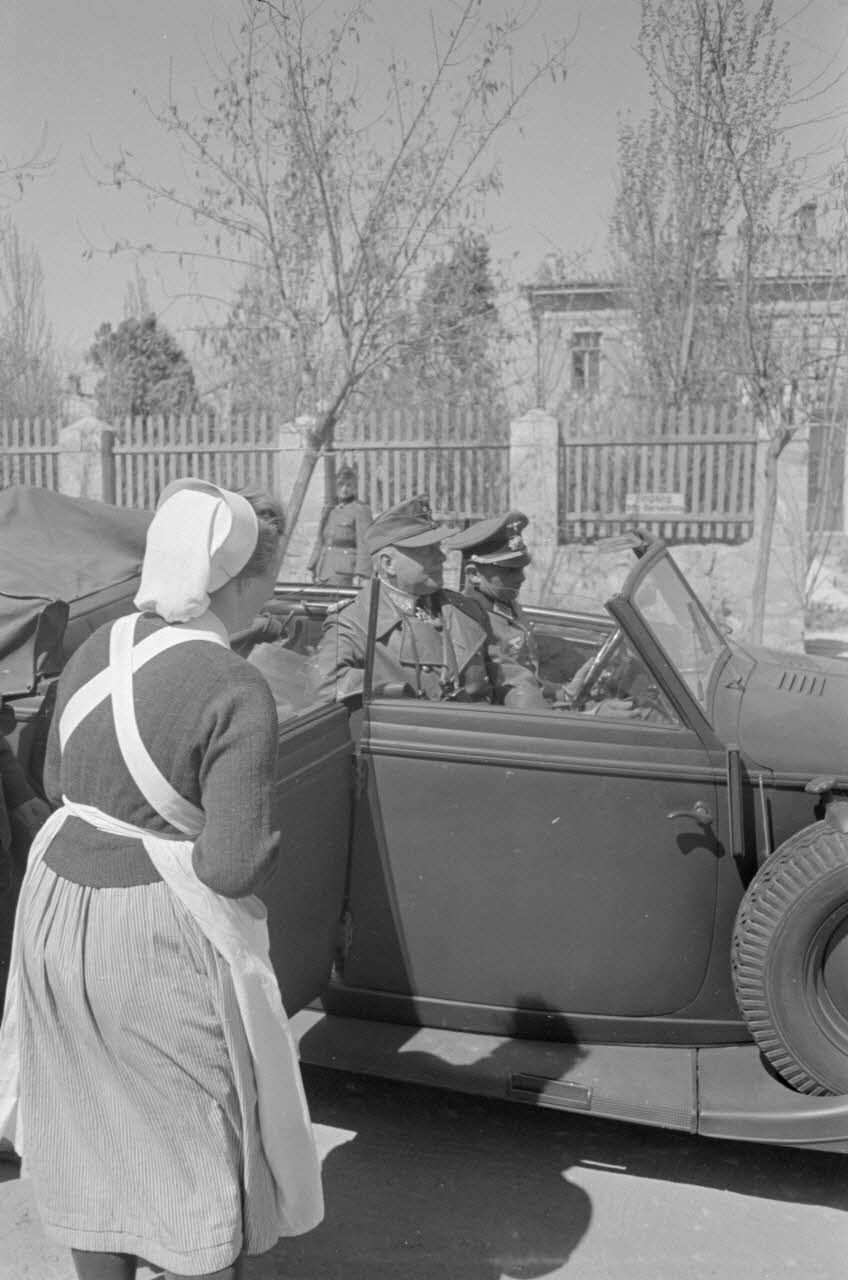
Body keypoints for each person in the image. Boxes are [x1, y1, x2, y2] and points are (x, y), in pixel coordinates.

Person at [0, 479, 324, 1280]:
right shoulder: (234, 686)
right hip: (153, 935)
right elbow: (231, 865)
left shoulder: (99, 646)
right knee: (192, 1143)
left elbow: (58, 779)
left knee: (91, 1131)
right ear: (244, 578)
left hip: (56, 911)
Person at [313, 495, 548, 707]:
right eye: (427, 550)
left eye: (438, 547)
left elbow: (509, 676)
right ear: (388, 564)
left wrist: (531, 713)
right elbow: (324, 683)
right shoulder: (354, 622)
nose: (442, 557)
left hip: (481, 734)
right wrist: (399, 693)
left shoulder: (467, 609)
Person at [306, 462, 373, 587]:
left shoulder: (360, 509)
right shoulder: (329, 509)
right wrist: (312, 565)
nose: (344, 489)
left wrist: (362, 574)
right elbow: (320, 540)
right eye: (341, 484)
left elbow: (364, 544)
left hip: (345, 571)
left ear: (355, 488)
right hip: (323, 568)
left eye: (348, 485)